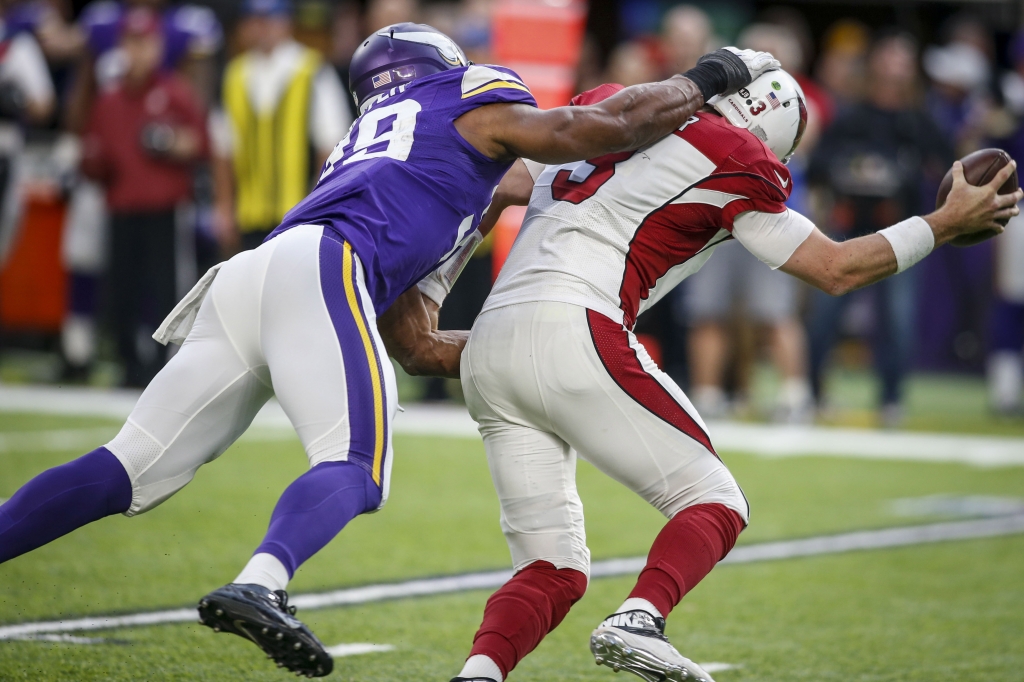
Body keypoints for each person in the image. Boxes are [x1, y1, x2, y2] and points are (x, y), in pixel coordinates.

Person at [0, 22, 780, 677]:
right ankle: (261, 582)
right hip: (323, 267)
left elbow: (415, 343)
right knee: (356, 463)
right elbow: (592, 131)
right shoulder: (465, 95)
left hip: (248, 278)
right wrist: (707, 76)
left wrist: (552, 343)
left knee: (127, 465)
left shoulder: (383, 149)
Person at [446, 71, 1019, 682]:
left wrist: (430, 288)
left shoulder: (609, 110)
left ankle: (478, 673)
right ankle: (640, 618)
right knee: (715, 501)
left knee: (551, 568)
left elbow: (496, 186)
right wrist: (942, 223)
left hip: (488, 343)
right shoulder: (735, 154)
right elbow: (837, 269)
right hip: (576, 322)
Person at [806, 32, 953, 426]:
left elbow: (953, 167)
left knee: (898, 321)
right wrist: (854, 171)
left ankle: (891, 399)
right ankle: (813, 394)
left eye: (902, 60)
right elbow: (820, 166)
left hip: (902, 233)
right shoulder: (851, 115)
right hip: (847, 232)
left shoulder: (919, 120)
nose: (893, 69)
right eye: (888, 58)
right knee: (824, 316)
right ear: (874, 65)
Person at [79, 7, 208, 387]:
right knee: (121, 288)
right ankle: (126, 362)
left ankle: (162, 364)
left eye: (145, 43)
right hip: (121, 207)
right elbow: (94, 154)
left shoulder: (173, 92)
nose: (138, 52)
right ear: (121, 46)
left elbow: (198, 143)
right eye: (131, 43)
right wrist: (92, 162)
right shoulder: (110, 99)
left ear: (158, 46)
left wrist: (168, 141)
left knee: (165, 287)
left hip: (163, 208)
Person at [210, 0, 350, 253]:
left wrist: (318, 204)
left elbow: (330, 145)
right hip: (249, 214)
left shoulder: (312, 69)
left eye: (269, 20)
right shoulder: (235, 74)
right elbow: (223, 148)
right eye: (255, 21)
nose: (262, 29)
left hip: (298, 211)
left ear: (286, 23)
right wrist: (224, 208)